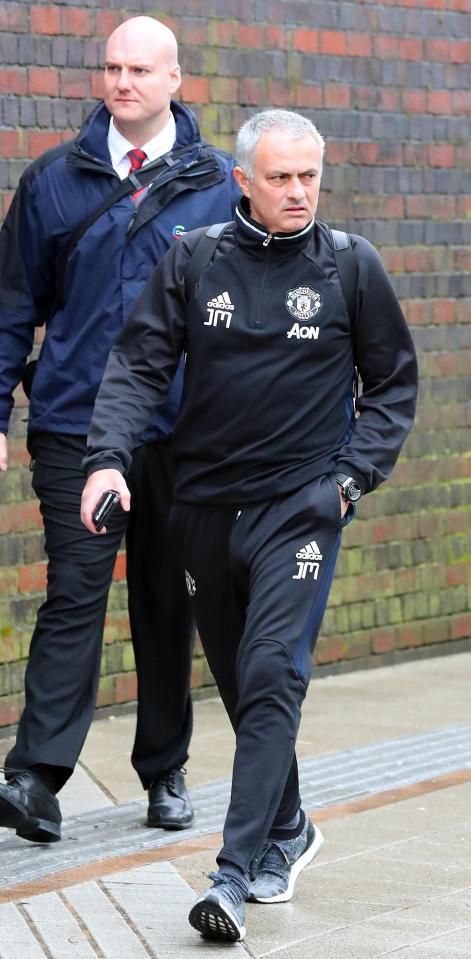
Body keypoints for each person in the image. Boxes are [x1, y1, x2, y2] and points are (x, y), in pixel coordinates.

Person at [80, 109, 418, 942]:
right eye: (280, 177)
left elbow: (393, 388)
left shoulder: (350, 267)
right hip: (201, 510)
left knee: (272, 673)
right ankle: (291, 825)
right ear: (243, 181)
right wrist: (106, 457)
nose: (299, 191)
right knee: (242, 686)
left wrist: (344, 483)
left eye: (309, 176)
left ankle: (233, 875)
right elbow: (138, 364)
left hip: (298, 509)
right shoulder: (193, 260)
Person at [0, 16, 238, 843]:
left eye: (139, 68)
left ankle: (164, 769)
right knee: (74, 592)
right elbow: (11, 308)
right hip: (73, 426)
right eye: (110, 67)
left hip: (181, 434)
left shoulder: (219, 185)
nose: (122, 82)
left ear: (176, 78)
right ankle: (34, 776)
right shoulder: (54, 182)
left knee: (166, 599)